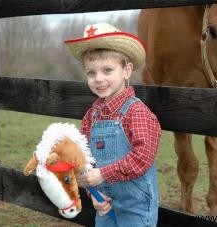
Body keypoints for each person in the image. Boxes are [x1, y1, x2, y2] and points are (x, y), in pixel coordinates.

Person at [64, 22, 161, 227]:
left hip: (136, 208)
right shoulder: (92, 116)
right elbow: (85, 161)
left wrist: (102, 174)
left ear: (126, 70)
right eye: (91, 73)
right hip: (104, 205)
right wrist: (93, 194)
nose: (98, 79)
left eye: (107, 70)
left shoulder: (136, 112)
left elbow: (142, 158)